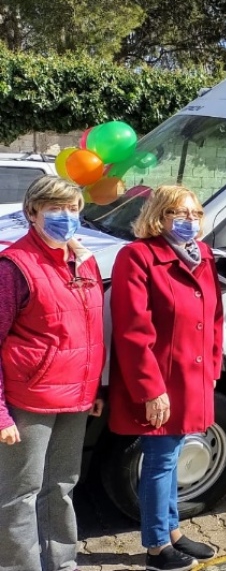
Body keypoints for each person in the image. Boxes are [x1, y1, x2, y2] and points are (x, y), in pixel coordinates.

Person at [108, 185, 221, 571]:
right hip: (160, 382)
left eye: (194, 214)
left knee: (172, 458)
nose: (189, 221)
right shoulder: (137, 257)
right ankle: (157, 547)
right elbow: (132, 331)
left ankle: (172, 531)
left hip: (193, 377)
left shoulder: (201, 255)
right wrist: (150, 389)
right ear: (159, 215)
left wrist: (214, 365)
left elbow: (215, 317)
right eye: (179, 214)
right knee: (160, 461)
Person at [0, 176, 104, 571]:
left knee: (61, 488)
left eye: (74, 208)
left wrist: (92, 388)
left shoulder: (85, 260)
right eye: (55, 208)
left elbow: (89, 333)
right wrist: (1, 413)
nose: (67, 217)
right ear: (32, 212)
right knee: (20, 494)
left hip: (75, 399)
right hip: (29, 401)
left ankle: (62, 563)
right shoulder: (14, 267)